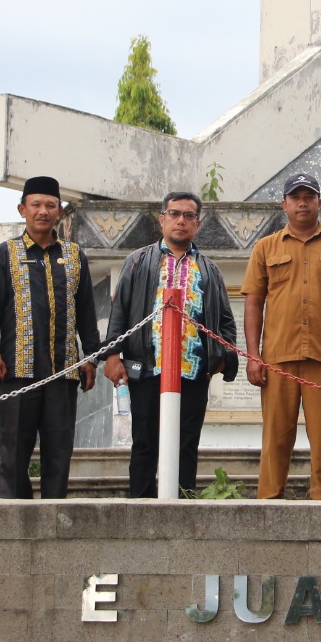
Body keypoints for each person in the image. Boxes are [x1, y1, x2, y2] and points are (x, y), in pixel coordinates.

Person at [102, 191, 239, 497]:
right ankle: (139, 512)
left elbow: (226, 323)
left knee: (186, 445)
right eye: (174, 214)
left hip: (192, 372)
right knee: (145, 445)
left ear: (198, 223)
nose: (181, 221)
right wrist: (112, 355)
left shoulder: (209, 269)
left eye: (188, 216)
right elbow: (120, 311)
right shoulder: (138, 261)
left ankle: (182, 513)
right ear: (162, 219)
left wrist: (221, 357)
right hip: (148, 369)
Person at [242, 172, 321, 499]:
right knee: (275, 438)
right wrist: (254, 356)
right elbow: (254, 302)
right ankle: (269, 502)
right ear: (284, 204)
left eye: (309, 196)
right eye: (296, 197)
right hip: (277, 359)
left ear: (319, 202)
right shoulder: (265, 248)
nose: (302, 202)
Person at [0, 175, 100, 499]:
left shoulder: (74, 256)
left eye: (50, 205)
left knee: (59, 451)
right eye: (36, 205)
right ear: (23, 210)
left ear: (59, 211)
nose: (43, 211)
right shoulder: (5, 254)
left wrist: (91, 358)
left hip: (64, 371)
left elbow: (86, 314)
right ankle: (14, 526)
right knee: (14, 451)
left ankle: (53, 522)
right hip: (18, 372)